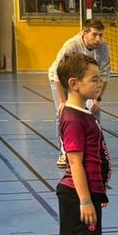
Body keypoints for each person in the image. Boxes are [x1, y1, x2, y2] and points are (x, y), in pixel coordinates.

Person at [53, 53, 118, 235]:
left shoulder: (81, 112)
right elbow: (75, 163)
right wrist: (85, 201)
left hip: (80, 192)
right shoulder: (73, 118)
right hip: (79, 194)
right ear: (74, 83)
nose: (98, 83)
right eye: (93, 79)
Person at [46, 21, 109, 169]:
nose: (98, 39)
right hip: (62, 80)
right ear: (84, 33)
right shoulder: (72, 45)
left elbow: (105, 75)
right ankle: (64, 152)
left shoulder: (103, 48)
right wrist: (63, 101)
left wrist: (97, 99)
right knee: (63, 114)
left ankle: (94, 149)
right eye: (94, 35)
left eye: (101, 35)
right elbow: (57, 74)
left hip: (84, 81)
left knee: (94, 111)